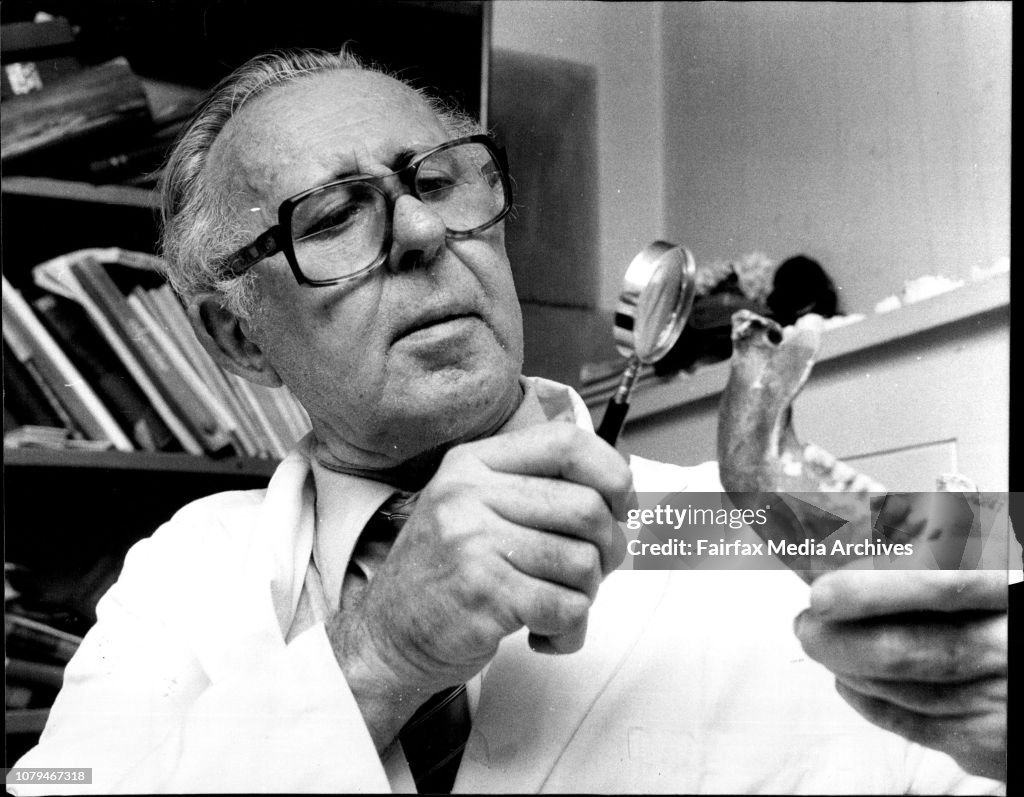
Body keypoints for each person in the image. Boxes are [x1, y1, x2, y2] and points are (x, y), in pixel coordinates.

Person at [10, 49, 1007, 794]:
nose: (423, 231)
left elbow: (988, 558)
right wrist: (377, 655)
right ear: (239, 339)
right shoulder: (187, 570)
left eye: (440, 180)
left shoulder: (761, 514)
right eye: (328, 217)